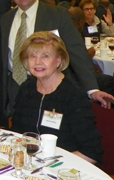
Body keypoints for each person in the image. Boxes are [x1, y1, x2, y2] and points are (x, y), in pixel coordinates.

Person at [1, 0, 113, 117]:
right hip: (15, 88)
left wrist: (92, 89)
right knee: (21, 133)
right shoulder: (5, 19)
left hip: (51, 88)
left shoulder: (57, 15)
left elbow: (77, 52)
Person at [12, 31, 102, 165]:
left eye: (45, 56)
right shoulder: (26, 89)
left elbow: (91, 152)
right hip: (30, 165)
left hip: (65, 167)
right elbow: (18, 134)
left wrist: (49, 165)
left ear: (58, 60)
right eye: (32, 56)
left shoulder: (73, 95)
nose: (38, 62)